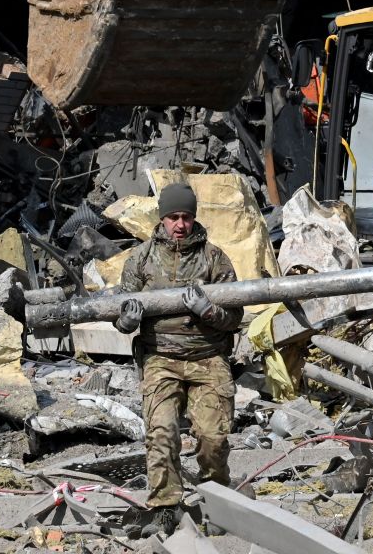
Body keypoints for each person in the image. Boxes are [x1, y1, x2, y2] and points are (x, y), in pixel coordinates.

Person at [114, 183, 243, 536]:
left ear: (194, 218)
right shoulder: (140, 260)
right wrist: (126, 321)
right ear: (163, 219)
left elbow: (235, 317)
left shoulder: (215, 259)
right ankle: (164, 507)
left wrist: (209, 311)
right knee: (161, 433)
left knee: (213, 437)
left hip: (208, 357)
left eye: (186, 217)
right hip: (160, 357)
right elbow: (118, 313)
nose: (180, 224)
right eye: (173, 217)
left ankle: (216, 498)